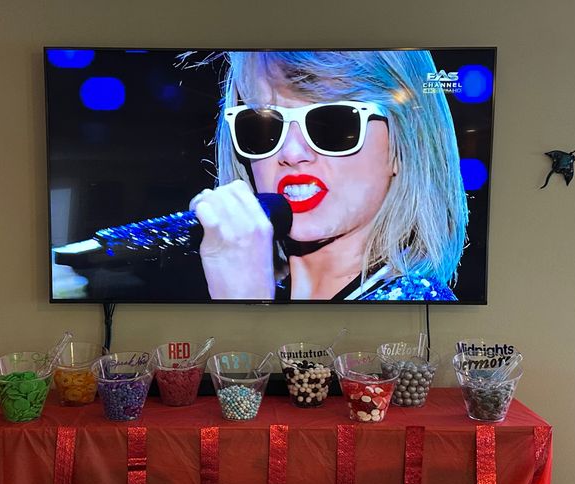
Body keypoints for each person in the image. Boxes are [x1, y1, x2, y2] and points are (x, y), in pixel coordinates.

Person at [190, 50, 467, 301]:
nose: (292, 152)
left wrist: (245, 312)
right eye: (264, 125)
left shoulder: (417, 315)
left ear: (403, 146)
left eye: (333, 124)